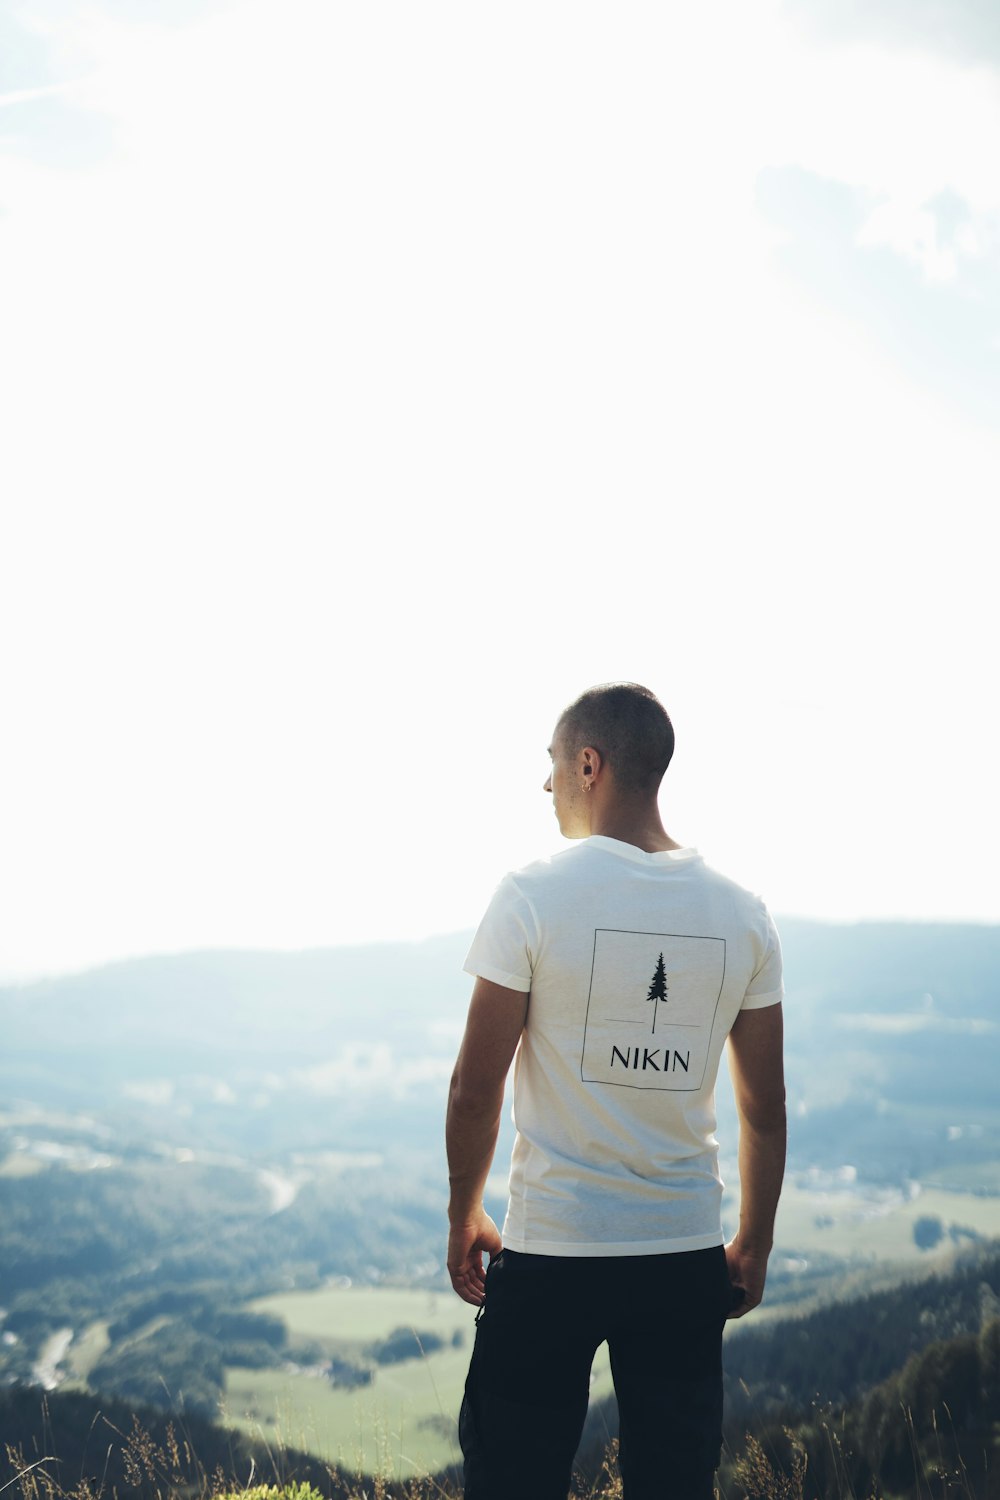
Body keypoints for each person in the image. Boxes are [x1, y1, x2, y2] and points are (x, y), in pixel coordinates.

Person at [445, 683, 786, 1500]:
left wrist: (464, 1212)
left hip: (555, 1248)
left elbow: (473, 1090)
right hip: (681, 1254)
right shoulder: (743, 914)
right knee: (674, 1484)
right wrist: (755, 1243)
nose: (546, 785)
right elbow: (764, 1109)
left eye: (554, 765)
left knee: (513, 1479)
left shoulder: (530, 895)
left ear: (588, 765)